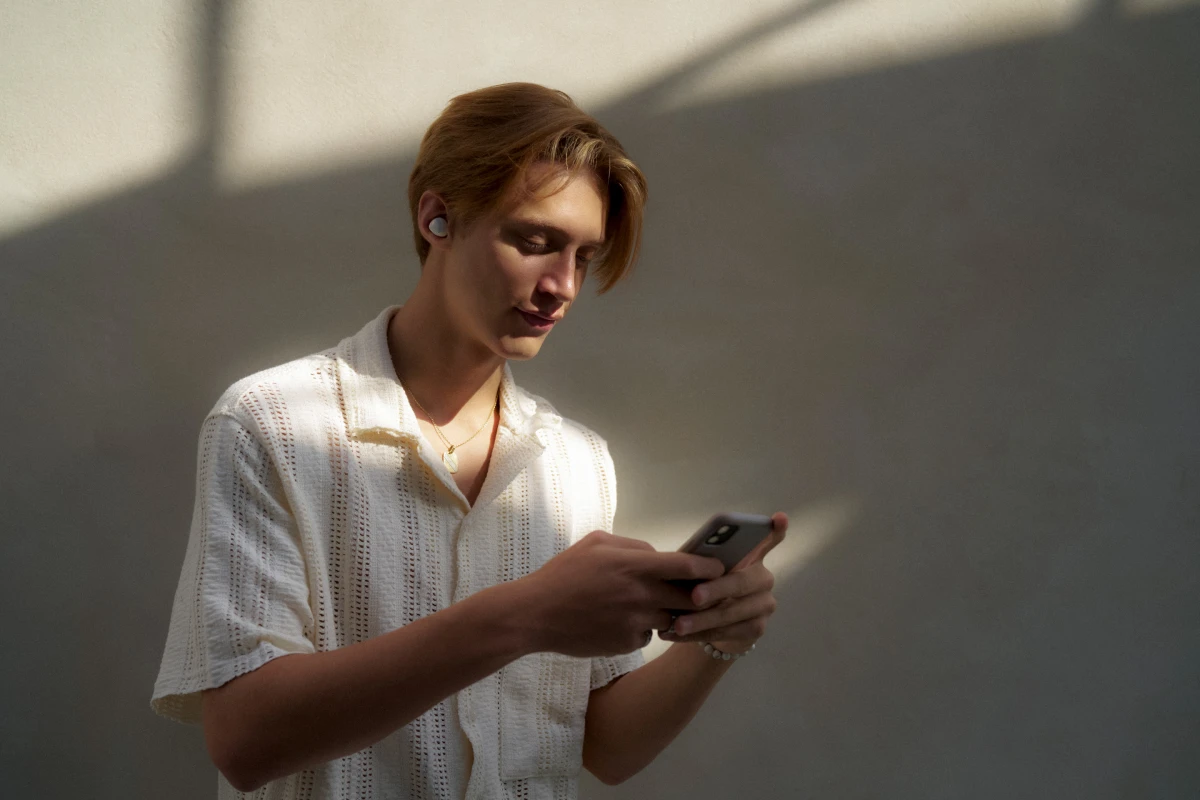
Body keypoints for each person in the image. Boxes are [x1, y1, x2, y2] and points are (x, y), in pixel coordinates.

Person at [151, 82, 787, 800]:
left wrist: (716, 640)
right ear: (438, 216)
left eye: (583, 256)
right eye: (535, 241)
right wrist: (526, 615)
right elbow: (245, 737)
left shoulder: (575, 463)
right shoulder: (271, 423)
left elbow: (603, 747)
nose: (562, 285)